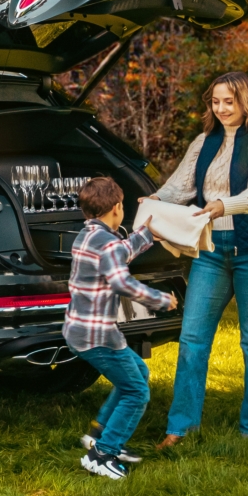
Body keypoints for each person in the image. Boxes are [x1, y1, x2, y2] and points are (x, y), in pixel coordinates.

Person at [144, 72, 248, 447]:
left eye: (230, 101)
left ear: (247, 101)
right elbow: (181, 186)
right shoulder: (204, 142)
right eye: (216, 102)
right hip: (211, 251)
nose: (222, 109)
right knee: (192, 339)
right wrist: (155, 202)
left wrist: (223, 205)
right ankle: (179, 428)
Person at [68, 177, 178, 480]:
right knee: (137, 391)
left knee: (138, 374)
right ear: (117, 208)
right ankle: (103, 454)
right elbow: (121, 280)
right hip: (98, 336)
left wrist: (145, 234)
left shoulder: (88, 236)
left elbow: (119, 253)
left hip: (81, 330)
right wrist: (159, 299)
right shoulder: (108, 243)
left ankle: (100, 433)